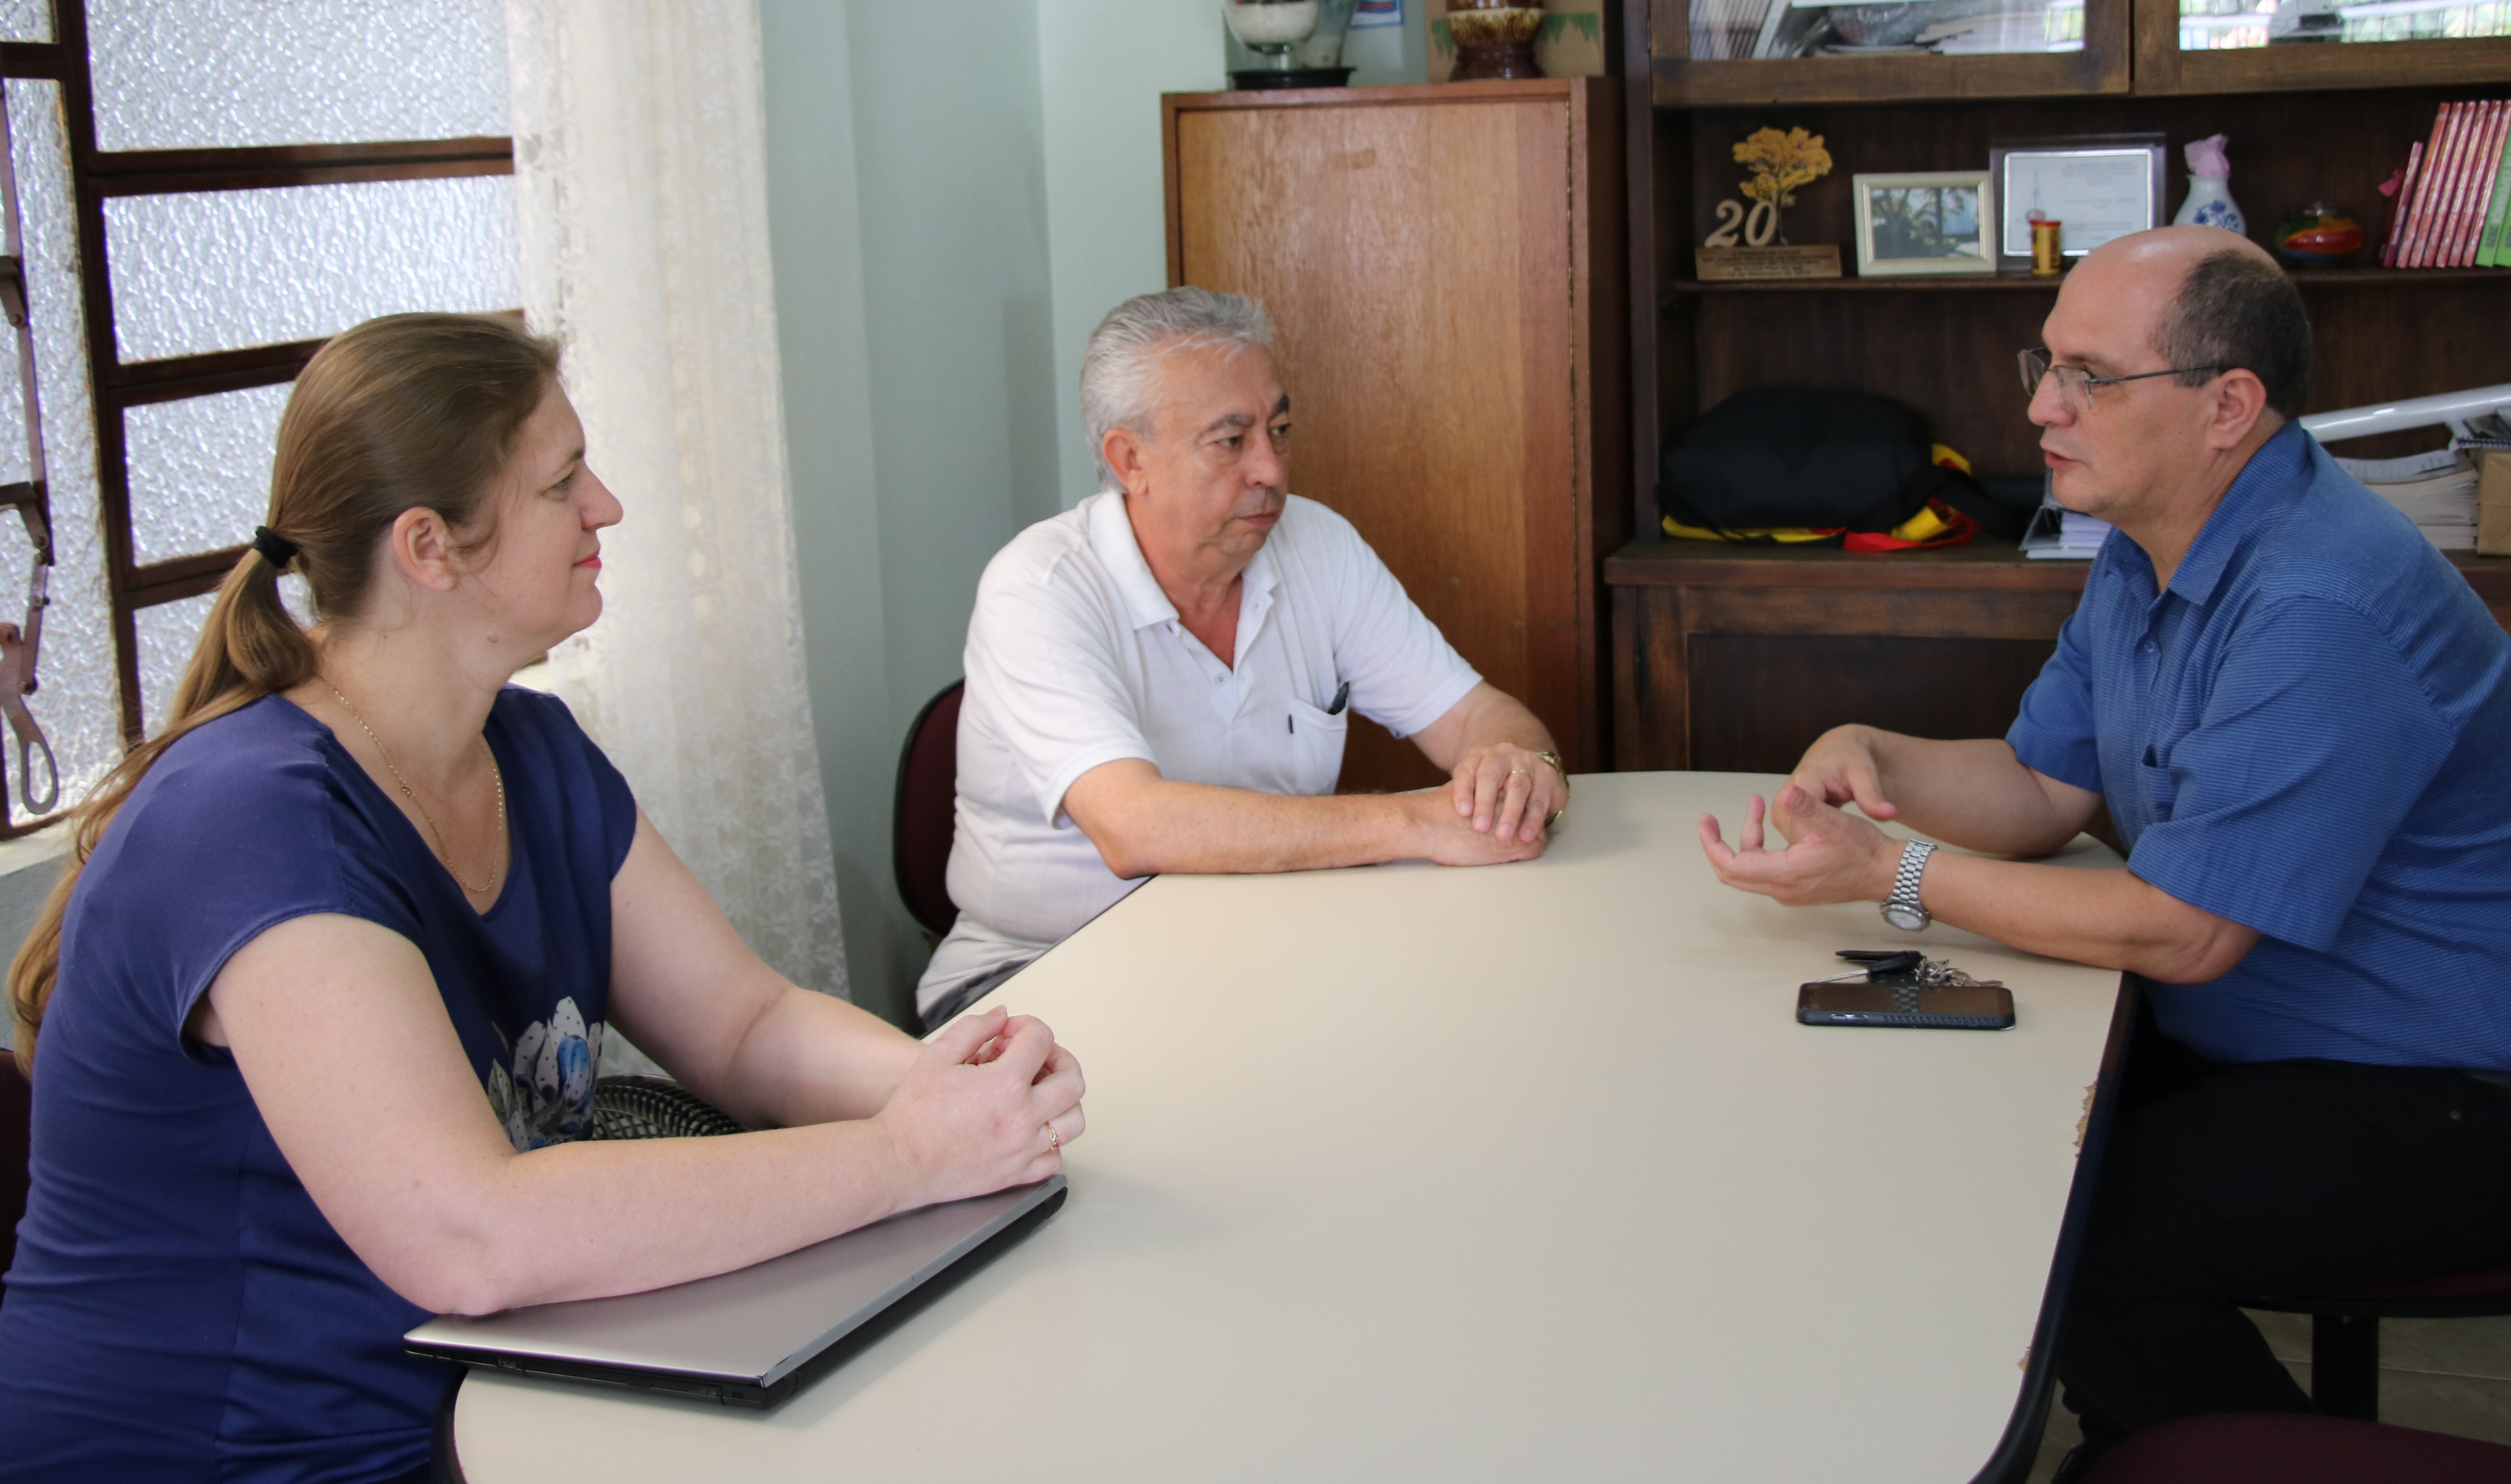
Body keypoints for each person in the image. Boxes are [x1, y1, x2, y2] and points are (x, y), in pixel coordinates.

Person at [0, 315, 1085, 1483]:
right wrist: (905, 1158)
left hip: (489, 1393)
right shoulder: (251, 820)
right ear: (431, 547)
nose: (606, 506)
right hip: (243, 1454)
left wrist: (946, 1086)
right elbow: (472, 1234)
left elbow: (744, 1023)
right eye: (564, 483)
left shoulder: (532, 749)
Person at [1695, 230, 2511, 1469]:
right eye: (2044, 362)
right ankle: (2140, 1444)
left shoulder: (2320, 598)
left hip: (2474, 1094)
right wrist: (1878, 756)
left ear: (2228, 407)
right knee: (1961, 1139)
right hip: (2296, 1042)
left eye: (2090, 375)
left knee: (2072, 1234)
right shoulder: (2155, 546)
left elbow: (2187, 933)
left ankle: (2223, 1458)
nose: (2042, 404)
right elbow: (2045, 785)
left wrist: (1897, 873)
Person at [921, 288, 1571, 1025]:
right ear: (1130, 459)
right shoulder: (1037, 589)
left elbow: (1474, 714)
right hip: (1042, 974)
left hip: (1270, 952)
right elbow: (1134, 828)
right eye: (1231, 441)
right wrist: (1415, 824)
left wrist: (1519, 767)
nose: (1272, 469)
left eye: (1280, 429)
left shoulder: (1317, 545)